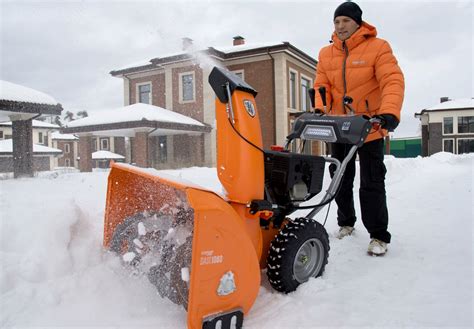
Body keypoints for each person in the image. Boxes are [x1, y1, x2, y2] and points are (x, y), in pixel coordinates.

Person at [313, 1, 404, 255]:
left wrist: (389, 112)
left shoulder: (378, 47)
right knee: (340, 177)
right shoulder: (326, 53)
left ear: (358, 23)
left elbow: (392, 80)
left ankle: (378, 235)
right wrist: (320, 109)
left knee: (371, 181)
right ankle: (346, 222)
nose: (340, 26)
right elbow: (322, 85)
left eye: (345, 21)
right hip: (339, 127)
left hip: (370, 126)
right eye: (336, 21)